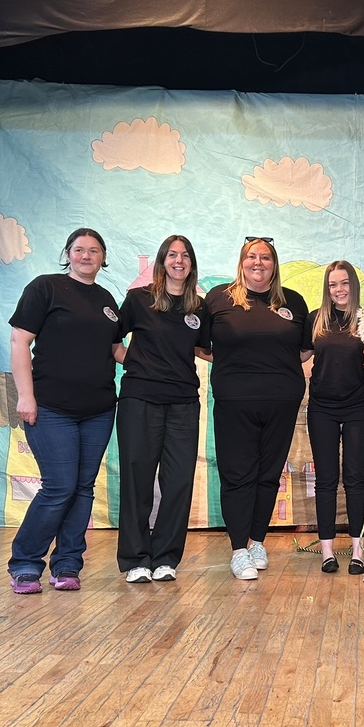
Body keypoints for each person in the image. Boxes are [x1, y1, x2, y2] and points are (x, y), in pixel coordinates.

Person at [7, 228, 124, 595]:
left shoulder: (106, 299)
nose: (86, 255)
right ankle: (25, 564)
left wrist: (165, 360)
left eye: (93, 250)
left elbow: (117, 350)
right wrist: (26, 396)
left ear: (103, 257)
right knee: (60, 487)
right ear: (68, 254)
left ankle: (68, 565)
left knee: (83, 489)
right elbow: (19, 341)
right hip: (52, 407)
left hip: (100, 410)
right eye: (79, 249)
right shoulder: (46, 288)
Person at [204, 238, 310, 580]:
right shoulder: (219, 298)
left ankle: (257, 542)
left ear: (274, 264)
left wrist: (274, 367)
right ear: (242, 262)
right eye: (252, 257)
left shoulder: (292, 301)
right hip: (235, 401)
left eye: (265, 257)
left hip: (282, 400)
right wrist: (236, 365)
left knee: (268, 474)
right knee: (237, 475)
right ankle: (238, 549)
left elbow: (305, 352)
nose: (258, 263)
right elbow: (201, 345)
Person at [115, 235, 210, 584]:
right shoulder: (138, 300)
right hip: (139, 400)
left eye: (185, 255)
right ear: (161, 261)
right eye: (172, 255)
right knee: (137, 479)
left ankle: (166, 556)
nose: (179, 261)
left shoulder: (198, 307)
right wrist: (136, 363)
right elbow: (112, 341)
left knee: (178, 481)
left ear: (191, 264)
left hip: (184, 403)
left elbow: (206, 350)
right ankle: (135, 559)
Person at [305, 261, 364, 573]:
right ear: (327, 288)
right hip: (322, 408)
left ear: (353, 286)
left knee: (355, 478)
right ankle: (327, 551)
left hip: (358, 407)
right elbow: (296, 356)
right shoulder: (315, 320)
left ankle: (358, 550)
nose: (339, 290)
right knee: (327, 480)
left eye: (344, 283)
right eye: (333, 285)